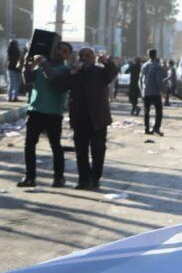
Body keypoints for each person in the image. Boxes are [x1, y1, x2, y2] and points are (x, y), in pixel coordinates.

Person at [17, 42, 72, 188]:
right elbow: (28, 80)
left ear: (68, 56)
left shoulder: (65, 70)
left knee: (55, 146)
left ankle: (59, 178)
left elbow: (52, 77)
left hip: (53, 113)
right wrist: (28, 63)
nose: (60, 52)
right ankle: (29, 177)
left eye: (64, 51)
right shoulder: (43, 66)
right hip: (36, 111)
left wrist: (43, 62)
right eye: (58, 48)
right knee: (29, 145)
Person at [64, 48, 118, 190]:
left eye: (87, 55)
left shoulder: (100, 72)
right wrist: (72, 72)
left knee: (98, 151)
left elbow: (112, 72)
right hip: (80, 119)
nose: (84, 58)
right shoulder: (75, 73)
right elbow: (64, 85)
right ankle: (83, 180)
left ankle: (95, 178)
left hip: (98, 119)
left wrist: (106, 62)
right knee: (81, 152)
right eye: (81, 55)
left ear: (93, 58)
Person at [140, 48, 166, 136]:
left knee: (146, 111)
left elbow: (140, 79)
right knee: (159, 111)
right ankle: (156, 128)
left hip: (145, 92)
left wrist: (142, 90)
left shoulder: (144, 65)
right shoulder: (157, 66)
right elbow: (159, 80)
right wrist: (162, 90)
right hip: (155, 92)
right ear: (155, 55)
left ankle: (147, 129)